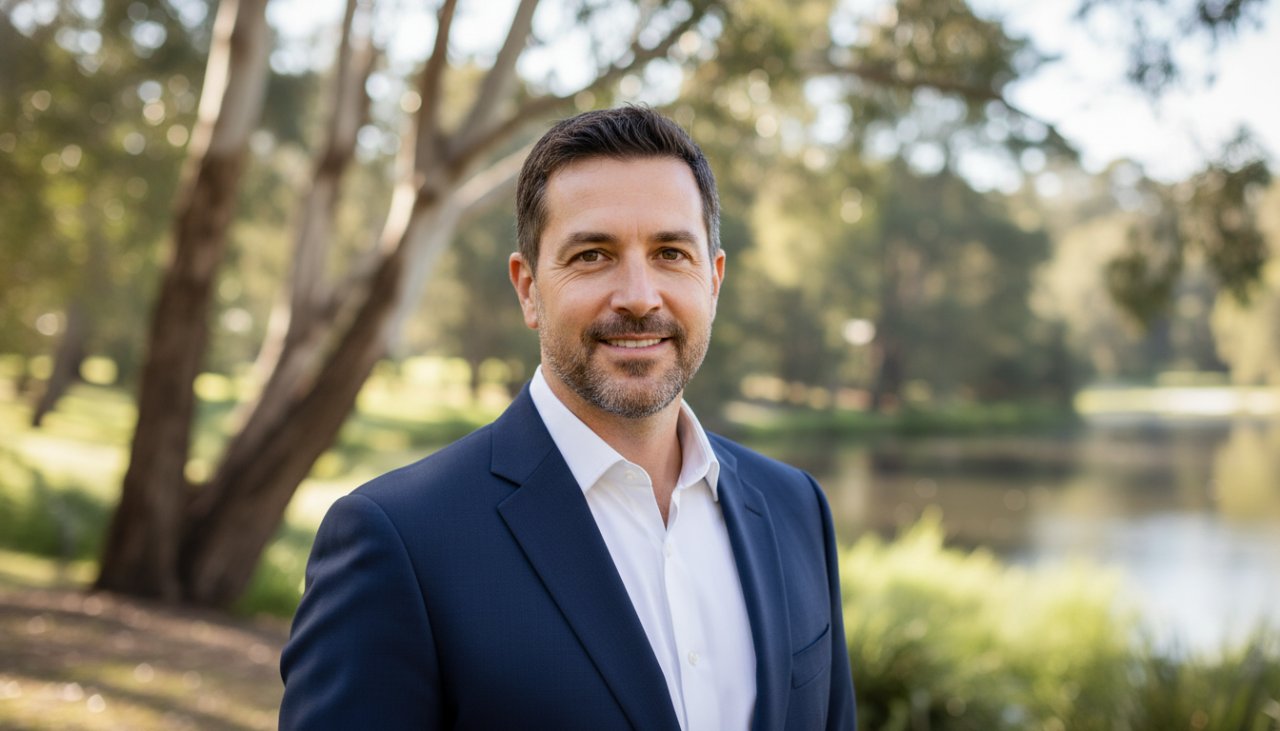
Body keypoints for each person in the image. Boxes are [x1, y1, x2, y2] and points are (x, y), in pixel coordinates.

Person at [279, 106, 855, 730]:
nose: (638, 295)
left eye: (670, 252)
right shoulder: (398, 542)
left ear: (713, 281)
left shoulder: (796, 506)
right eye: (592, 255)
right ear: (528, 288)